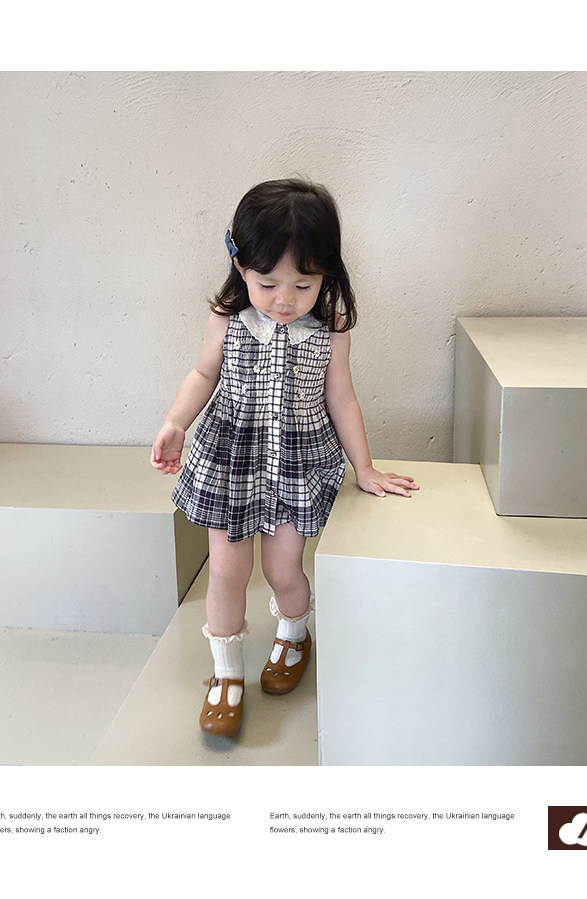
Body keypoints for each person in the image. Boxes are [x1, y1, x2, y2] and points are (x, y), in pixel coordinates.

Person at [151, 178, 418, 738]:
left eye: (303, 284)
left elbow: (342, 399)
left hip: (296, 465)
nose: (284, 299)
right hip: (233, 461)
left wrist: (365, 467)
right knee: (226, 571)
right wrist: (176, 421)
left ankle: (295, 636)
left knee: (282, 569)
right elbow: (203, 373)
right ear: (240, 266)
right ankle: (226, 674)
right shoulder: (227, 320)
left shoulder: (330, 332)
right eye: (268, 283)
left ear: (327, 275)